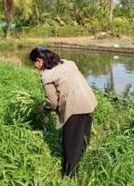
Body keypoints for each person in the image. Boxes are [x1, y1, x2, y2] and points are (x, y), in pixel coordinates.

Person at [29, 46, 98, 178]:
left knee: (70, 143)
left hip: (74, 107)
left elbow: (52, 101)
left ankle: (69, 175)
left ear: (38, 61)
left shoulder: (47, 75)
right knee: (82, 137)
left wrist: (45, 109)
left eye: (34, 64)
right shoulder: (68, 63)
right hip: (88, 101)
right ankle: (80, 163)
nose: (35, 67)